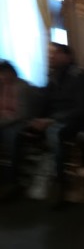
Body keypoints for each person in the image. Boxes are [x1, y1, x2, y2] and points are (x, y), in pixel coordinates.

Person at [26, 43, 84, 205]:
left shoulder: (78, 75)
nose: (51, 57)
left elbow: (81, 108)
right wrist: (37, 118)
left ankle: (60, 183)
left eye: (55, 53)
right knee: (26, 130)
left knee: (55, 132)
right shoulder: (54, 76)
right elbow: (46, 102)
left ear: (67, 56)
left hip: (75, 120)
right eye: (50, 53)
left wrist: (51, 120)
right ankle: (32, 178)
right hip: (55, 118)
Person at [0, 61, 33, 199]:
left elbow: (22, 113)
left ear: (11, 73)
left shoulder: (22, 86)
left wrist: (3, 122)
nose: (2, 77)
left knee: (12, 137)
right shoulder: (2, 86)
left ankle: (13, 180)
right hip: (4, 120)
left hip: (18, 121)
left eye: (3, 74)